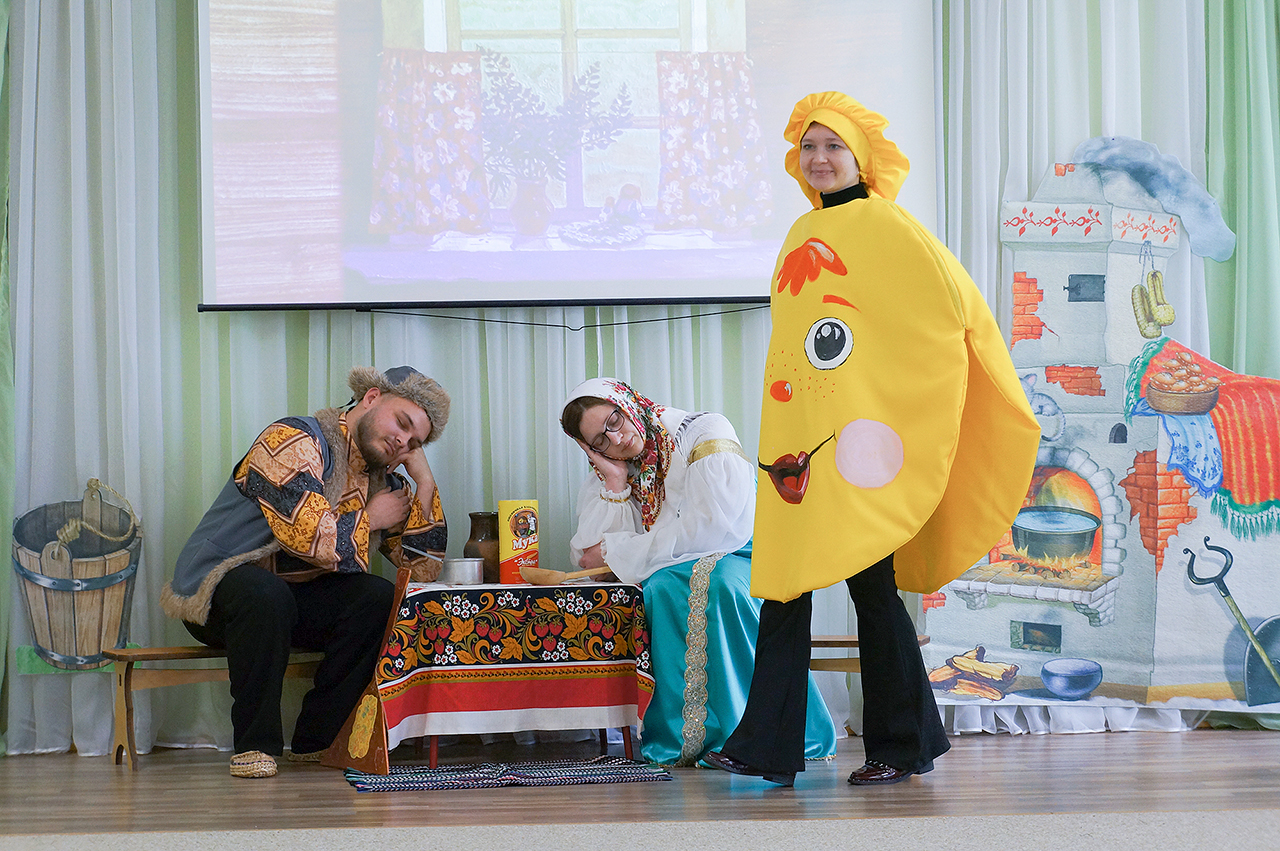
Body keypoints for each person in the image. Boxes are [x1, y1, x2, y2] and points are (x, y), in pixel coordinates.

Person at [704, 92, 1040, 787]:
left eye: (834, 146)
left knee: (873, 588)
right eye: (808, 147)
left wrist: (897, 404)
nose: (818, 158)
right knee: (785, 586)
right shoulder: (801, 232)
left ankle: (903, 744)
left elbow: (945, 313)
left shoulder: (890, 226)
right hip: (798, 442)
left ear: (861, 158)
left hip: (857, 444)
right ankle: (768, 747)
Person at [161, 366, 450, 778]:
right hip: (222, 591)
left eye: (415, 442)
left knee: (379, 597)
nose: (403, 441)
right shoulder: (293, 439)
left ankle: (318, 739)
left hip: (291, 603)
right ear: (371, 398)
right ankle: (255, 745)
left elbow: (421, 569)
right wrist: (371, 518)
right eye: (402, 423)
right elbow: (307, 537)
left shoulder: (382, 481)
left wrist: (424, 481)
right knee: (265, 595)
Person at [561, 377, 837, 766]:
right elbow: (589, 559)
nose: (617, 439)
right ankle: (688, 739)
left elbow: (714, 527)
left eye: (615, 421)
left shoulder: (701, 432)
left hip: (745, 552)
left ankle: (757, 734)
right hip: (671, 566)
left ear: (628, 402)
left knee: (718, 584)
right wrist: (616, 481)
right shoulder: (617, 469)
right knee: (661, 587)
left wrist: (623, 550)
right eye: (599, 441)